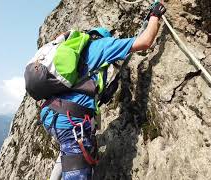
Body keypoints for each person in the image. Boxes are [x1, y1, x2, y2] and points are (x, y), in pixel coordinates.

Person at [40, 1, 166, 179]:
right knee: (76, 166)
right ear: (103, 38)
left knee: (67, 149)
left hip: (50, 115)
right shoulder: (104, 46)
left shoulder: (74, 55)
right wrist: (155, 15)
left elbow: (78, 90)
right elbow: (145, 42)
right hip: (70, 121)